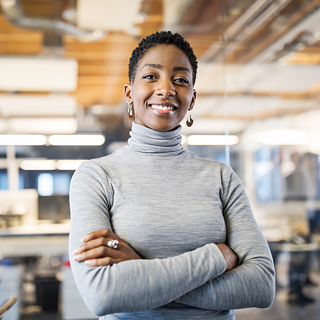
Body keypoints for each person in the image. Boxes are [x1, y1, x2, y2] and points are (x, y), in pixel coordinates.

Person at [69, 31, 275, 320]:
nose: (166, 89)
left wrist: (140, 270)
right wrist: (217, 257)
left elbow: (261, 285)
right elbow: (102, 294)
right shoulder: (97, 175)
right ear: (130, 93)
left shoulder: (221, 177)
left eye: (180, 80)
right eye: (151, 77)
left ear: (191, 99)